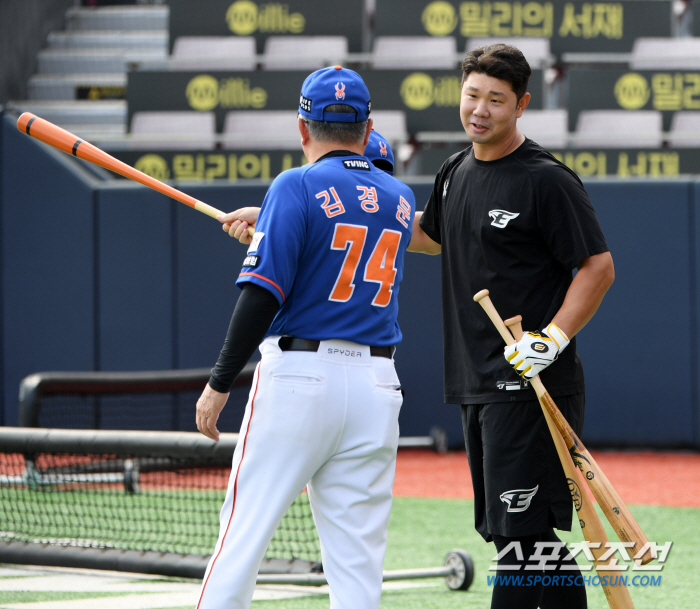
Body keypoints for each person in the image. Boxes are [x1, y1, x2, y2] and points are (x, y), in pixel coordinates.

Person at [194, 65, 416, 609]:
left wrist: (220, 382)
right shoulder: (400, 196)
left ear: (301, 127)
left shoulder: (293, 185)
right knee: (357, 564)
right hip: (376, 386)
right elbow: (341, 229)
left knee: (241, 539)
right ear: (367, 130)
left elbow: (264, 293)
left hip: (300, 379)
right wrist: (269, 221)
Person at [408, 44, 614, 609]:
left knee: (521, 544)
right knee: (518, 540)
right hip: (475, 381)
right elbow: (429, 234)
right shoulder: (454, 169)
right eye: (472, 95)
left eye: (495, 99)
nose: (479, 109)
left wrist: (551, 341)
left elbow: (598, 266)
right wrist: (290, 218)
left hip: (530, 385)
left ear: (521, 104)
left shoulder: (547, 180)